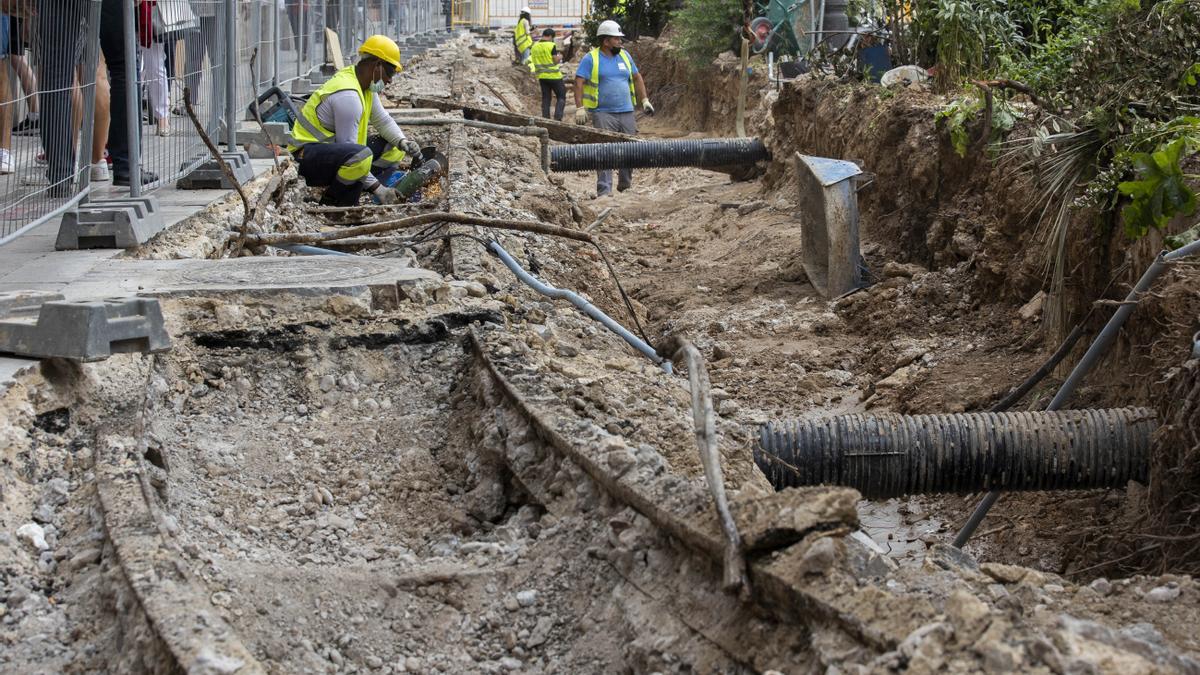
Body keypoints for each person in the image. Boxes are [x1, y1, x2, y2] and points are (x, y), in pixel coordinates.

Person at [287, 35, 421, 206]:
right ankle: (336, 201)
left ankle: (362, 186)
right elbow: (353, 153)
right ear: (377, 65)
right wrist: (380, 189)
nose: (389, 79)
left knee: (393, 148)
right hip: (305, 158)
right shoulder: (348, 96)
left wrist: (403, 142)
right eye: (390, 72)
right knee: (360, 157)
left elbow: (383, 121)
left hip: (332, 151)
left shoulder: (364, 86)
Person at [573, 19, 652, 198]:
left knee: (630, 150)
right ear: (606, 41)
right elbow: (579, 82)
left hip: (626, 111)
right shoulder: (591, 58)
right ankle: (604, 190)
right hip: (603, 113)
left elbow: (637, 77)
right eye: (616, 39)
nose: (620, 42)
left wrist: (645, 100)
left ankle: (625, 185)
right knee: (604, 151)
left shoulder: (625, 55)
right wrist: (580, 108)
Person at [530, 28, 565, 121]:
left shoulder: (535, 46)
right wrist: (560, 57)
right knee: (561, 96)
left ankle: (546, 119)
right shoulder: (551, 45)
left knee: (546, 98)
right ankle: (557, 119)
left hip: (542, 76)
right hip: (554, 76)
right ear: (550, 36)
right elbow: (555, 60)